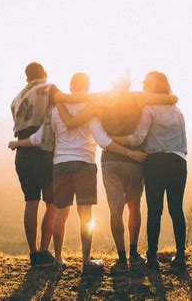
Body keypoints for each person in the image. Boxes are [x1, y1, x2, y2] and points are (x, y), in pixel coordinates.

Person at [8, 73, 147, 271]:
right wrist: (130, 153)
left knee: (60, 214)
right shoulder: (90, 108)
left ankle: (57, 259)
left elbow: (39, 138)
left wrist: (17, 143)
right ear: (88, 86)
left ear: (70, 87)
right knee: (86, 215)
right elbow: (103, 140)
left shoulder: (55, 109)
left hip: (60, 164)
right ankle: (86, 261)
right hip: (85, 164)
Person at [55, 75, 178, 270]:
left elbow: (73, 112)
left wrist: (58, 98)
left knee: (115, 209)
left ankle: (120, 258)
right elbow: (171, 99)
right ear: (129, 82)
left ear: (112, 82)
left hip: (110, 159)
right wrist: (172, 98)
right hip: (134, 159)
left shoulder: (100, 98)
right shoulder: (139, 97)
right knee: (134, 206)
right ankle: (133, 253)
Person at [9, 62, 93, 267]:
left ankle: (33, 253)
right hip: (43, 152)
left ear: (26, 77)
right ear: (44, 74)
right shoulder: (49, 89)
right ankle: (45, 252)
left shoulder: (17, 98)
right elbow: (71, 99)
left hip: (23, 153)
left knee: (30, 202)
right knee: (52, 204)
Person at [111, 71, 187, 270]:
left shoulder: (149, 108)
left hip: (155, 163)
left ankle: (152, 258)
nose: (143, 86)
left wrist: (113, 140)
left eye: (146, 84)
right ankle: (180, 257)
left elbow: (138, 138)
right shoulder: (176, 109)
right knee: (176, 210)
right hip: (178, 162)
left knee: (155, 211)